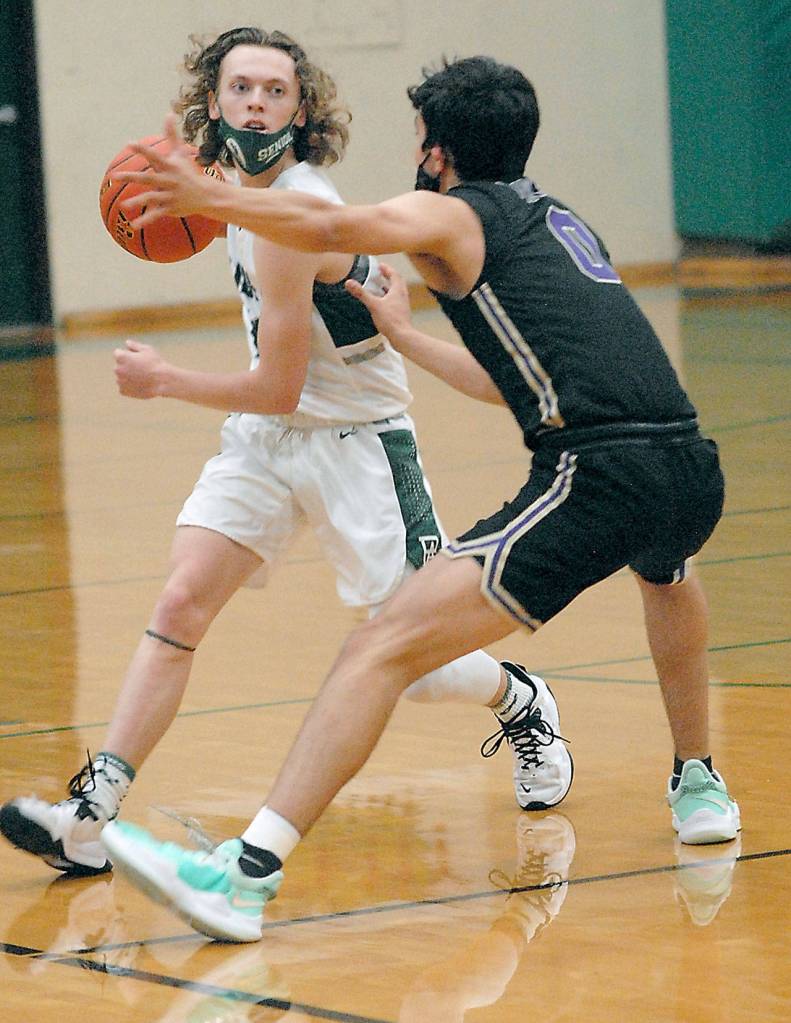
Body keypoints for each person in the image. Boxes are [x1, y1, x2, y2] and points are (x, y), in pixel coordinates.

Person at [98, 53, 740, 944]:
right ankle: (698, 777)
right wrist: (402, 333)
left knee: (377, 647)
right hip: (686, 463)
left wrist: (207, 196)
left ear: (434, 150)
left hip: (594, 477)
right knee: (666, 572)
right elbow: (508, 381)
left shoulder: (451, 212)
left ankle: (242, 879)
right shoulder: (555, 219)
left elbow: (333, 222)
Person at [0, 33, 573, 877]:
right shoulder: (235, 189)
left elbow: (277, 384)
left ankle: (521, 698)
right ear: (215, 102)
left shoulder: (294, 214)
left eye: (275, 91)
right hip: (269, 442)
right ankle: (90, 816)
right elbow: (273, 401)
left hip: (358, 445)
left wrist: (165, 380)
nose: (257, 105)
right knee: (181, 600)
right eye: (241, 89)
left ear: (301, 111)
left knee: (418, 664)